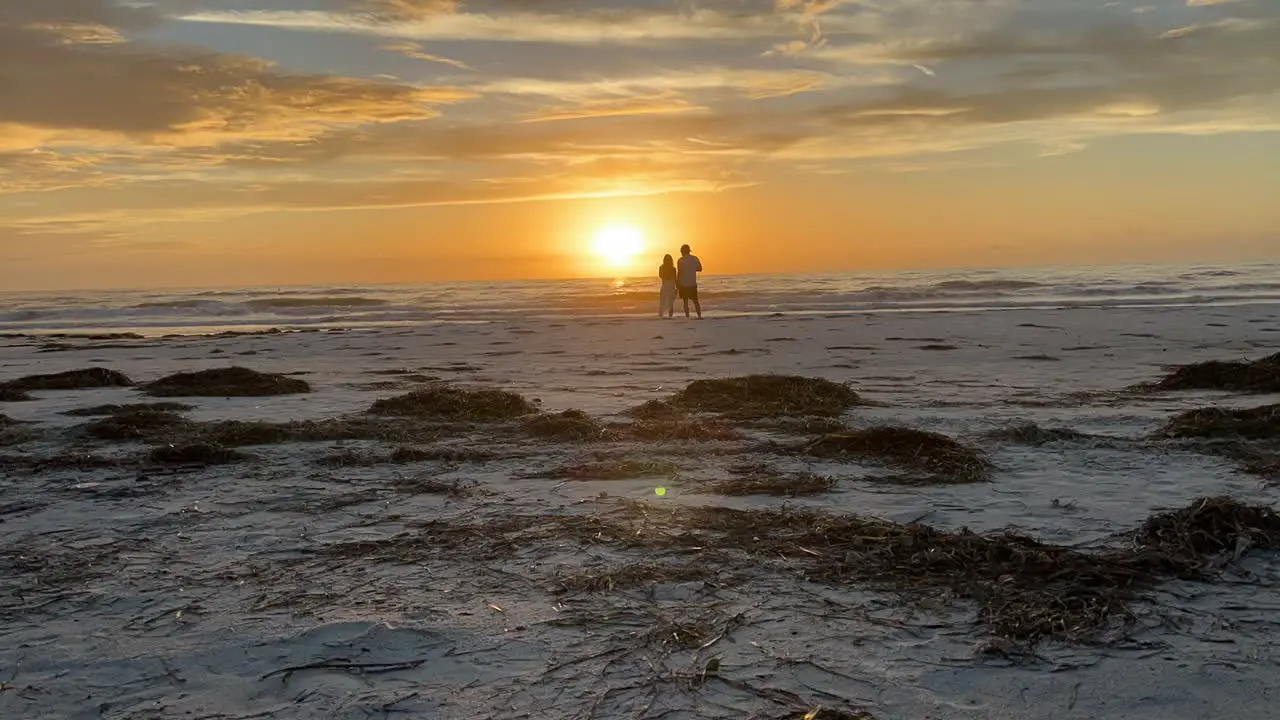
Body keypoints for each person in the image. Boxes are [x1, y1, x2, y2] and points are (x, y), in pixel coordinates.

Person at [676, 244, 703, 319]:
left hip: (683, 284)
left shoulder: (680, 260)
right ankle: (699, 316)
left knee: (685, 302)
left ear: (682, 251)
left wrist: (677, 282)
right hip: (692, 283)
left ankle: (687, 316)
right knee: (695, 301)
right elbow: (700, 269)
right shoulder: (694, 258)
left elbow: (679, 272)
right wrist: (692, 269)